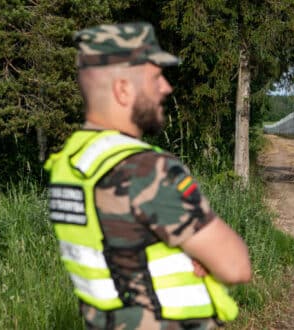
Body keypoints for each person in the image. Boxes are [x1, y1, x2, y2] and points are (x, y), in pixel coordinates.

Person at [43, 22, 251, 329]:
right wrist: (198, 257)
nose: (166, 87)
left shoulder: (68, 164)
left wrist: (182, 255)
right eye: (155, 77)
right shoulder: (144, 169)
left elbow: (120, 249)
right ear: (123, 89)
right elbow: (235, 266)